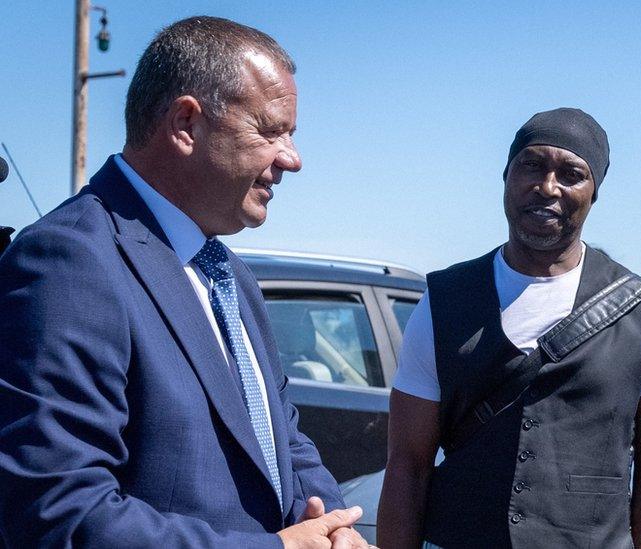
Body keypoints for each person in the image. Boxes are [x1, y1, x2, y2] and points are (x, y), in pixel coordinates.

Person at [0, 16, 370, 548]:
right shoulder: (67, 262)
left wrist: (337, 530)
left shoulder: (228, 274)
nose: (292, 159)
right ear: (185, 124)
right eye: (271, 130)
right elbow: (57, 512)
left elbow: (283, 441)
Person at [377, 108, 641, 548]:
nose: (547, 187)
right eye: (532, 166)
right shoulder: (443, 302)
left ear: (595, 194)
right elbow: (407, 465)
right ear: (506, 176)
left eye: (571, 174)